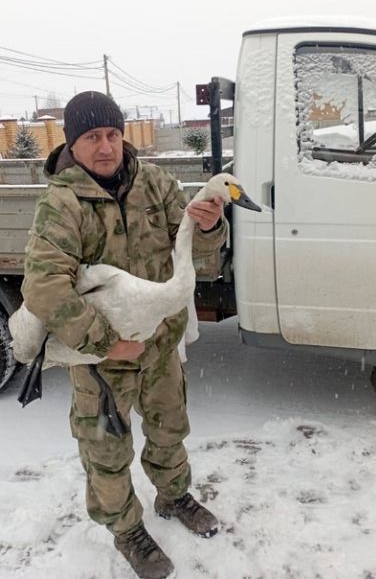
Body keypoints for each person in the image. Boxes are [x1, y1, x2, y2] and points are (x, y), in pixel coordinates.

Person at [21, 91, 228, 579]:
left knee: (169, 429)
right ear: (73, 143)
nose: (107, 146)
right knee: (107, 451)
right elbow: (44, 285)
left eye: (113, 134)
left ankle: (174, 496)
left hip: (159, 344)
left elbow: (192, 240)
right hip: (101, 357)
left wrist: (211, 225)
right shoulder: (62, 202)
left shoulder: (154, 182)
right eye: (93, 137)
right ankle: (126, 529)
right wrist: (105, 343)